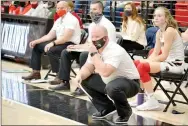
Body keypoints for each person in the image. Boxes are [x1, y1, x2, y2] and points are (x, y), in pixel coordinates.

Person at [73, 25, 140, 124]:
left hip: (130, 83)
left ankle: (125, 112)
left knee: (112, 87)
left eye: (97, 37)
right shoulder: (95, 49)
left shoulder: (115, 50)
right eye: (92, 37)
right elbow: (88, 67)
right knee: (84, 80)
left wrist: (94, 54)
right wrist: (79, 76)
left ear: (105, 38)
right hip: (109, 81)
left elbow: (105, 72)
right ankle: (107, 108)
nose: (94, 40)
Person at [49, 1, 116, 96]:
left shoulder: (108, 25)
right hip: (91, 50)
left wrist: (91, 49)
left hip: (102, 53)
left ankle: (83, 86)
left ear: (101, 10)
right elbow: (89, 43)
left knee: (84, 55)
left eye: (95, 9)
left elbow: (110, 45)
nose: (92, 12)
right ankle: (64, 82)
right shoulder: (92, 25)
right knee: (66, 52)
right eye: (91, 9)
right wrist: (77, 46)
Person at [134, 7, 185, 111]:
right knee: (136, 63)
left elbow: (164, 55)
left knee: (143, 66)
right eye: (155, 16)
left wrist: (147, 62)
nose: (156, 18)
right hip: (166, 62)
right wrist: (148, 60)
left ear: (166, 18)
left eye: (159, 16)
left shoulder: (170, 31)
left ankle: (152, 100)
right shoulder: (159, 32)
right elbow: (156, 53)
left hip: (176, 65)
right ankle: (141, 98)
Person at [22, 1, 81, 80]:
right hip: (60, 42)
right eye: (58, 8)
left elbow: (66, 38)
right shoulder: (58, 20)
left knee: (51, 50)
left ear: (67, 9)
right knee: (37, 46)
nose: (59, 10)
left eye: (62, 8)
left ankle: (59, 76)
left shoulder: (71, 19)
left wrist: (52, 43)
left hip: (70, 44)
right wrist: (36, 41)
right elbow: (49, 35)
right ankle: (36, 72)